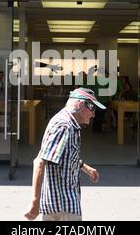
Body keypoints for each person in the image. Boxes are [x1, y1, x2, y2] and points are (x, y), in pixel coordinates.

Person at [24, 88, 103, 221]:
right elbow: (39, 162)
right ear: (80, 104)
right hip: (63, 206)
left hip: (62, 204)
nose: (94, 114)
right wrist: (35, 202)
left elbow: (63, 155)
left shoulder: (69, 124)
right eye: (92, 108)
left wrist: (85, 168)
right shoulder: (64, 126)